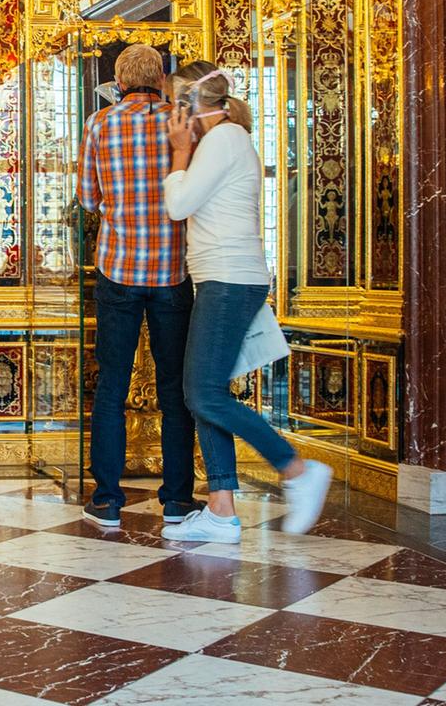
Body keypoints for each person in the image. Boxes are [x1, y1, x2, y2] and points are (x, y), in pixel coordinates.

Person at [159, 64, 332, 541]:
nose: (171, 116)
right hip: (220, 277)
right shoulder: (220, 141)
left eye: (174, 104)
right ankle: (220, 511)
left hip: (230, 280)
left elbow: (178, 206)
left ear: (191, 104)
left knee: (203, 393)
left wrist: (177, 153)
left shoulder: (225, 140)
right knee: (204, 393)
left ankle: (295, 469)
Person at [75, 43, 198, 528]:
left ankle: (106, 498)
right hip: (173, 271)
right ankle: (177, 499)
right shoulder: (182, 123)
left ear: (120, 83)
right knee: (175, 390)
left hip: (119, 268)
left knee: (111, 386)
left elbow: (87, 198)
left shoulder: (100, 124)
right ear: (163, 79)